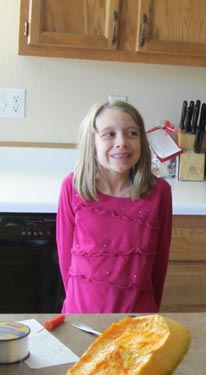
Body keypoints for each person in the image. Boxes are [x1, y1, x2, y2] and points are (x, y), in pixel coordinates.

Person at [56, 100, 172, 313]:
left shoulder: (159, 193)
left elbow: (159, 264)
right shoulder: (72, 188)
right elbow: (65, 261)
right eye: (109, 134)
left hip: (138, 317)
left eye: (132, 133)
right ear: (92, 142)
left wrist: (152, 311)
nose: (122, 143)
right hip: (82, 313)